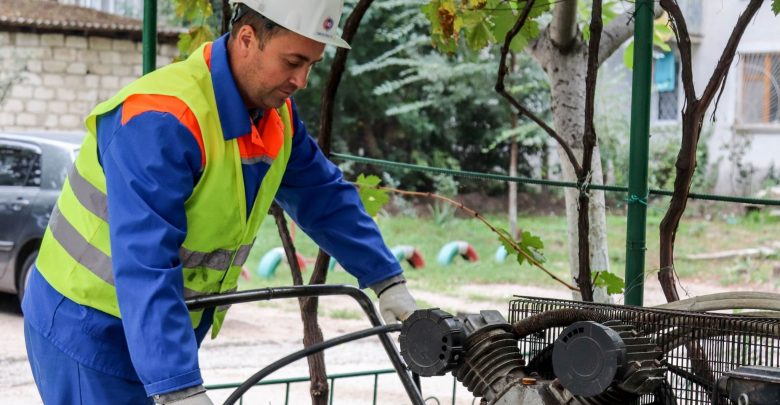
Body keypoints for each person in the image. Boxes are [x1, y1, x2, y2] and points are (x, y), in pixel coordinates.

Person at [22, 1, 418, 403]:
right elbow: (146, 262)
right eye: (293, 61)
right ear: (247, 39)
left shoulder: (274, 116)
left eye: (312, 64)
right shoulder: (162, 119)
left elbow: (325, 198)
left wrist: (386, 280)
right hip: (88, 329)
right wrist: (179, 388)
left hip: (154, 329)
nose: (302, 80)